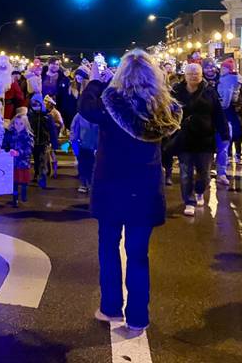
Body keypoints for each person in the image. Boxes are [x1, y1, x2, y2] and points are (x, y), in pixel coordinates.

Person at [78, 50, 182, 334]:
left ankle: (110, 307)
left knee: (108, 248)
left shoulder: (112, 105)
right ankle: (138, 315)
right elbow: (172, 143)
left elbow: (86, 109)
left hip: (112, 185)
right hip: (144, 189)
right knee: (138, 254)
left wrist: (96, 81)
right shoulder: (164, 109)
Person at [172, 63, 230, 216]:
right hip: (185, 138)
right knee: (186, 173)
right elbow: (169, 113)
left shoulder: (209, 92)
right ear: (185, 75)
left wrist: (224, 133)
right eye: (190, 73)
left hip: (205, 138)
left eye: (196, 73)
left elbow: (218, 114)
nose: (193, 76)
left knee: (204, 172)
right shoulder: (177, 91)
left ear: (201, 74)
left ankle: (199, 191)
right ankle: (189, 201)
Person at [28, 93, 60, 188]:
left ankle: (42, 177)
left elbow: (52, 130)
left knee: (42, 160)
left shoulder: (46, 116)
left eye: (37, 104)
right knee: (36, 159)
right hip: (33, 142)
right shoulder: (30, 115)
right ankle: (37, 173)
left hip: (43, 141)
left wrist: (54, 143)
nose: (35, 106)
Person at [3, 113, 34, 207]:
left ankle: (24, 194)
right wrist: (8, 150)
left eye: (21, 124)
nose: (18, 126)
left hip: (23, 163)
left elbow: (29, 149)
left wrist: (19, 152)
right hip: (13, 163)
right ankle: (15, 199)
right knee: (15, 182)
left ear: (25, 124)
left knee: (24, 181)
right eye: (16, 123)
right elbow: (6, 144)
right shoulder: (10, 134)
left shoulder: (28, 136)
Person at [70, 110, 99, 194]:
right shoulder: (79, 116)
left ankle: (90, 183)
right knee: (82, 165)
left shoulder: (97, 116)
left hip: (93, 147)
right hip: (82, 146)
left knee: (92, 165)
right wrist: (75, 147)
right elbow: (74, 131)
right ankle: (83, 183)